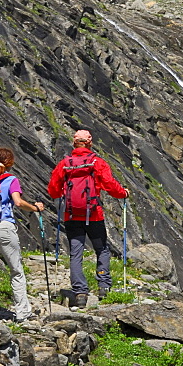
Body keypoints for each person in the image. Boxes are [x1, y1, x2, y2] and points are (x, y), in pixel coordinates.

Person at [48, 129, 128, 308]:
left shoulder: (65, 164)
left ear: (74, 143)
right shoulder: (96, 162)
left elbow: (53, 188)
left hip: (71, 215)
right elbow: (109, 184)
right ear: (90, 143)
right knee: (102, 249)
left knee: (75, 254)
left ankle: (80, 293)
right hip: (93, 214)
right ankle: (103, 286)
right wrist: (123, 193)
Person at [0, 148, 45, 324]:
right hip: (4, 227)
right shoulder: (10, 179)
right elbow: (18, 202)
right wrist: (36, 208)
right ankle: (22, 313)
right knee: (16, 270)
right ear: (10, 162)